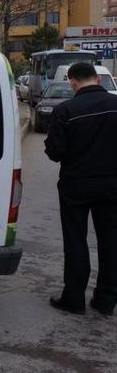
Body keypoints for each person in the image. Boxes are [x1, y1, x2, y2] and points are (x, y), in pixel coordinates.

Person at [45, 62, 117, 316]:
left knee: (76, 239)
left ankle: (74, 298)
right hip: (112, 184)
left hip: (76, 184)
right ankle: (106, 300)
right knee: (111, 240)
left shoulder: (66, 110)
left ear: (72, 81)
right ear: (97, 79)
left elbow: (55, 152)